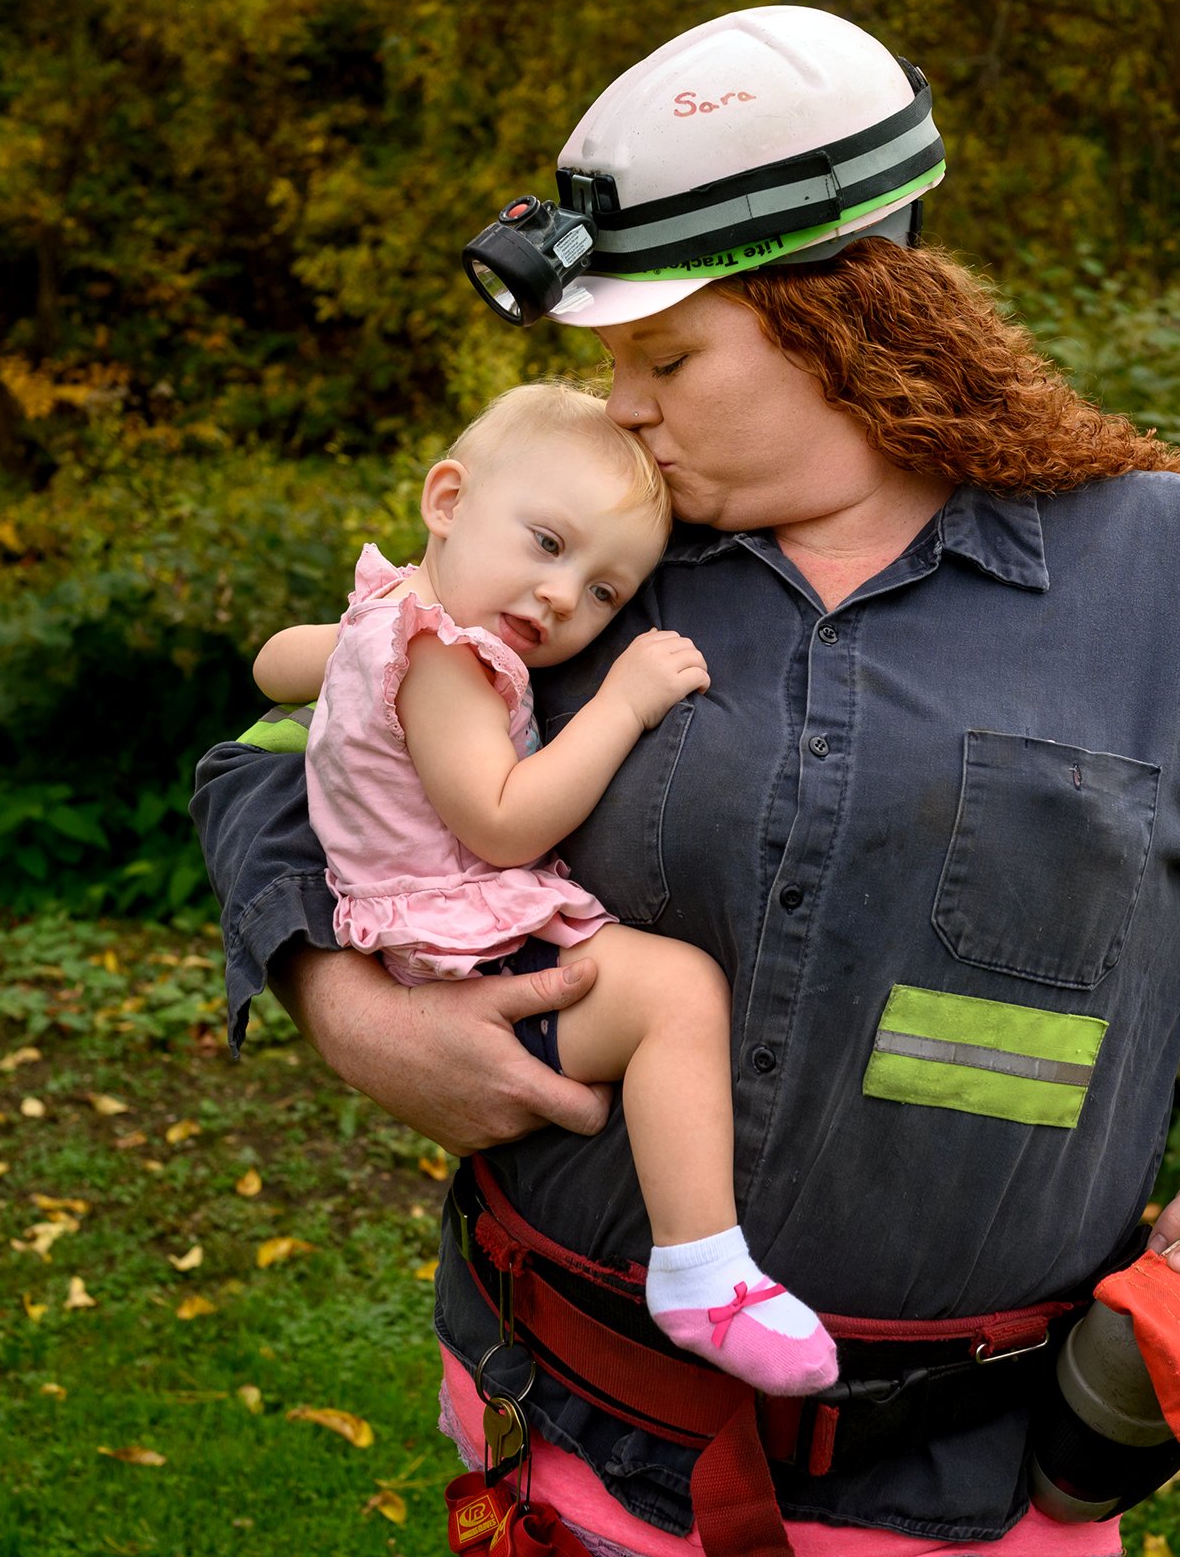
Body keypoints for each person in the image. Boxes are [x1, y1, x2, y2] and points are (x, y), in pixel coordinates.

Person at [193, 5, 1180, 1557]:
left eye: (668, 351)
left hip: (980, 1504)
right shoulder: (597, 566)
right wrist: (342, 999)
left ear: (852, 314)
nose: (621, 403)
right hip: (561, 1449)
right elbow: (293, 756)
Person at [250, 382, 840, 1395]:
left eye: (606, 593)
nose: (565, 597)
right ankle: (700, 1268)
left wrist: (340, 648)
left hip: (417, 929)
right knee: (676, 995)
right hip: (466, 943)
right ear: (446, 501)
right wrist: (621, 700)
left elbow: (273, 666)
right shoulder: (447, 660)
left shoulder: (390, 611)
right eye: (546, 543)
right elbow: (503, 817)